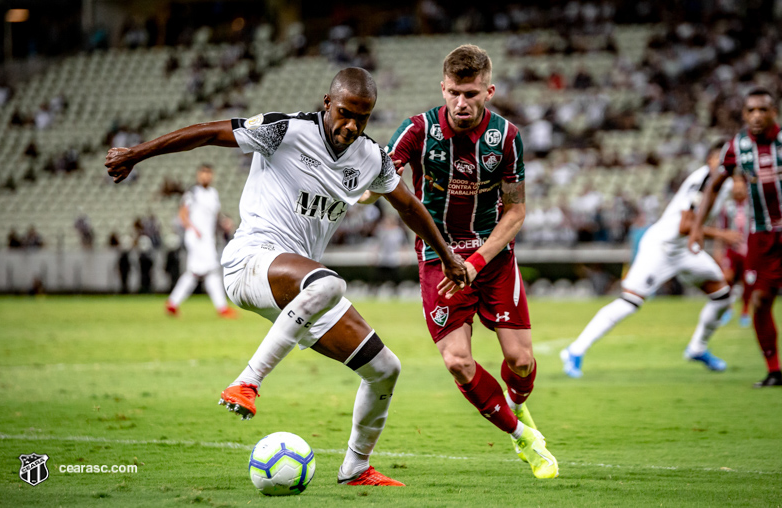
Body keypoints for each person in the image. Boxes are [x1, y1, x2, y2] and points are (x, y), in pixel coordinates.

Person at [105, 67, 468, 486]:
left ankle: (355, 467)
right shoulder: (285, 130)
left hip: (302, 289)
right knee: (329, 284)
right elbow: (207, 132)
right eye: (345, 113)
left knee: (385, 369)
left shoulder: (371, 158)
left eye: (362, 118)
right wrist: (136, 153)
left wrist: (448, 257)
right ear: (327, 103)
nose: (351, 125)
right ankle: (247, 382)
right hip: (250, 262)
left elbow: (408, 206)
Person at [363, 45, 558, 479]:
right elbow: (378, 179)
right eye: (454, 92)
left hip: (492, 257)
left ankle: (518, 405)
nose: (461, 103)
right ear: (442, 87)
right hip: (438, 254)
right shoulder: (416, 131)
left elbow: (516, 212)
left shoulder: (506, 137)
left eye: (470, 93)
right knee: (456, 360)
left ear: (489, 91)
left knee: (522, 362)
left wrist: (475, 260)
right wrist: (359, 191)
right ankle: (523, 439)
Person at [562, 142, 740, 378]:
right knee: (629, 303)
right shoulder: (704, 180)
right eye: (719, 158)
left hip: (684, 249)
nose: (723, 164)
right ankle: (574, 351)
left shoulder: (723, 183)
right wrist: (722, 235)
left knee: (722, 297)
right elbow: (685, 225)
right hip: (662, 247)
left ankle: (697, 348)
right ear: (709, 160)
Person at [690, 88, 782, 388]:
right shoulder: (737, 146)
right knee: (759, 300)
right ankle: (774, 370)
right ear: (744, 115)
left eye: (762, 110)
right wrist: (696, 227)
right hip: (762, 237)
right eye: (751, 110)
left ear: (773, 113)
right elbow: (714, 186)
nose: (756, 116)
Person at [165, 164, 237, 318]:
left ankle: (172, 303)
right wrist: (192, 228)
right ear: (198, 175)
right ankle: (222, 308)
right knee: (210, 270)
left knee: (196, 272)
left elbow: (215, 216)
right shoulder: (193, 192)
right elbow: (183, 214)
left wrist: (224, 223)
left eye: (209, 173)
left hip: (208, 238)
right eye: (203, 173)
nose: (206, 176)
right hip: (196, 237)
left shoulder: (213, 193)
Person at [714, 175, 752, 328]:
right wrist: (718, 250)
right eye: (735, 185)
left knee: (747, 282)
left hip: (749, 250)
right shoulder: (727, 207)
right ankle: (728, 309)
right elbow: (721, 229)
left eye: (740, 185)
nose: (737, 188)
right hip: (731, 250)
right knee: (727, 278)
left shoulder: (752, 205)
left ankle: (745, 311)